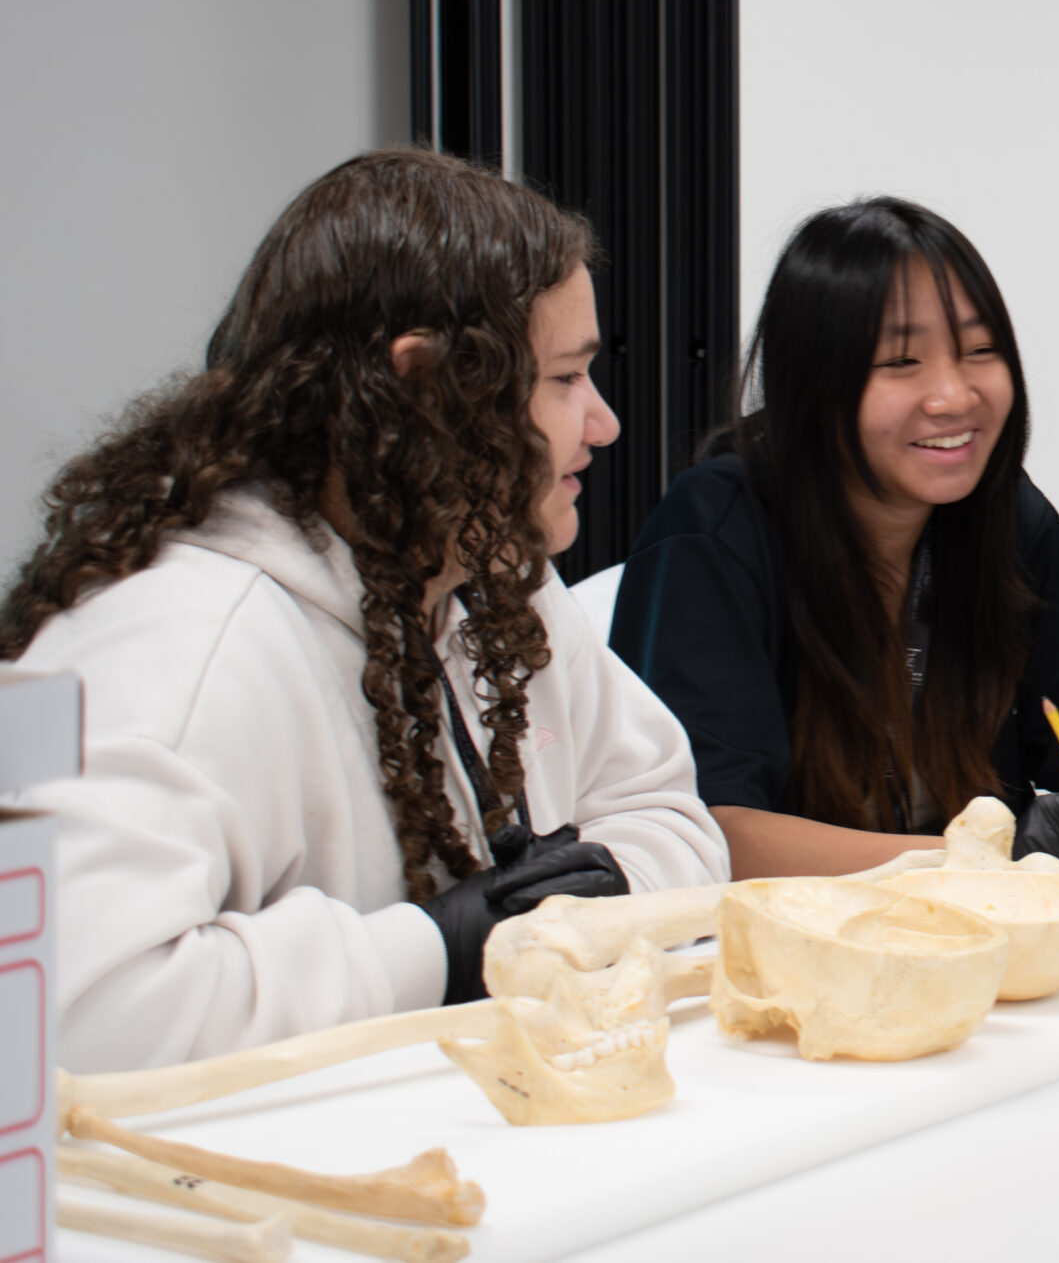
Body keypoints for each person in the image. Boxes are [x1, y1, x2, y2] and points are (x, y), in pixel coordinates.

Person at [3, 149, 727, 1074]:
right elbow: (75, 1015)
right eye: (564, 379)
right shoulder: (184, 643)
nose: (604, 422)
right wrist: (440, 947)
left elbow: (665, 809)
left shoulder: (493, 573)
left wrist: (604, 891)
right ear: (427, 386)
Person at [613, 198, 1059, 916]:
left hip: (973, 941)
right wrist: (1001, 860)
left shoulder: (1007, 518)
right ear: (814, 381)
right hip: (782, 949)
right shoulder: (716, 530)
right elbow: (717, 835)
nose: (953, 395)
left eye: (980, 350)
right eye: (901, 362)